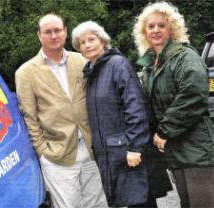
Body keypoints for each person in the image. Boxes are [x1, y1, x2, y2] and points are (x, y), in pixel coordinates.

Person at [71, 21, 172, 207]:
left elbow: (137, 108)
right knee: (130, 201)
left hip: (130, 152)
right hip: (112, 155)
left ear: (102, 41)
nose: (87, 45)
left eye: (91, 39)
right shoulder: (92, 73)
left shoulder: (118, 65)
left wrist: (135, 147)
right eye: (82, 42)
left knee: (142, 202)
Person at [15, 13, 107, 208]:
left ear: (65, 32)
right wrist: (43, 152)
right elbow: (29, 117)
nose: (54, 35)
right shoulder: (25, 72)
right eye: (48, 32)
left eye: (58, 30)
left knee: (98, 203)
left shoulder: (82, 61)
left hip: (91, 149)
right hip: (57, 154)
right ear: (39, 35)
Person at [133, 1, 214, 208]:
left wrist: (164, 132)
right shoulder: (150, 64)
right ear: (144, 31)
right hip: (176, 152)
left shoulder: (185, 57)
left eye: (162, 25)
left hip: (197, 151)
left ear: (173, 28)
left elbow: (193, 96)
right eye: (151, 26)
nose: (156, 30)